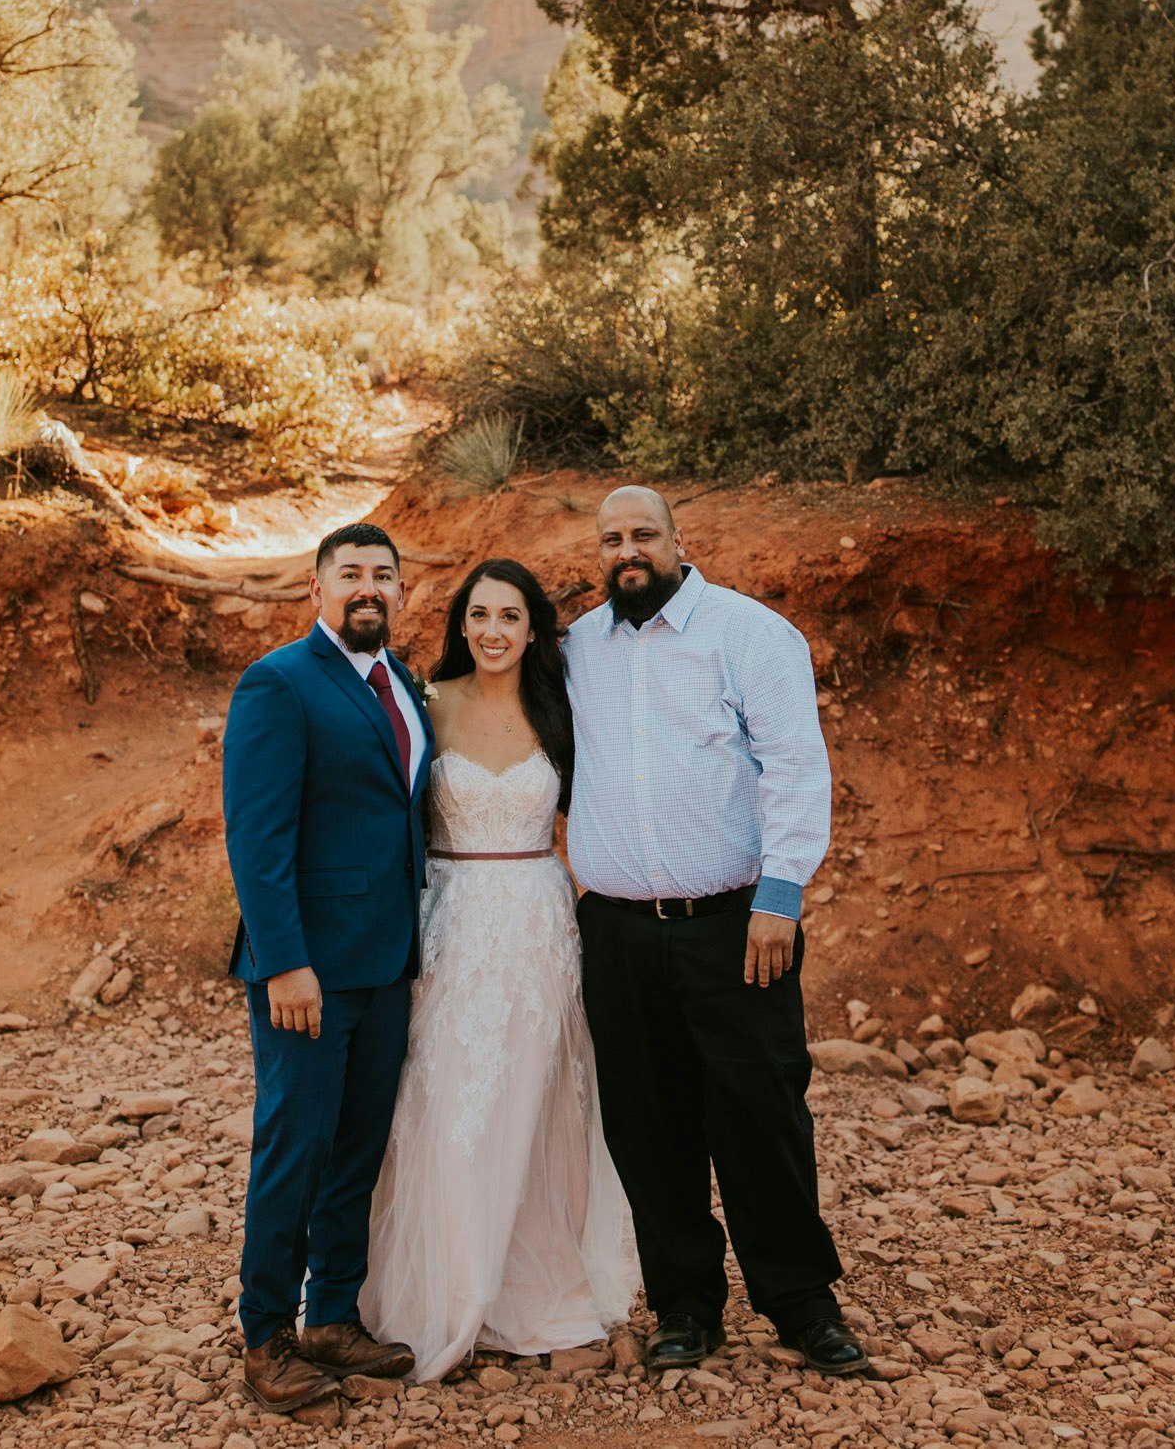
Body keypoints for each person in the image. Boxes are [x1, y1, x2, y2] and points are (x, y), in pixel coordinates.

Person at [565, 486, 865, 1378]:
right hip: (616, 932)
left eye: (643, 534)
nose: (628, 551)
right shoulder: (578, 649)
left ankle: (802, 1304)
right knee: (647, 1125)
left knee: (761, 1112)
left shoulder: (750, 634)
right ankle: (685, 1306)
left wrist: (781, 896)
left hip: (735, 923)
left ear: (677, 539)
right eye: (612, 538)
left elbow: (795, 766)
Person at [361, 558, 636, 1380]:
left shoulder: (562, 710)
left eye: (510, 616)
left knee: (532, 1102)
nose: (492, 631)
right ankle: (446, 1290)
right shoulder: (426, 703)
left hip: (537, 927)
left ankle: (528, 1287)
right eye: (479, 614)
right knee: (445, 1101)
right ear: (460, 624)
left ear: (533, 629)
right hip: (450, 923)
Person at [222, 522, 432, 1416]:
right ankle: (265, 1335)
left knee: (357, 1149)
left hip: (387, 961)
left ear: (400, 591)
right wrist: (284, 963)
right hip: (308, 969)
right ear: (317, 589)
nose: (368, 588)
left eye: (383, 574)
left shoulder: (402, 683)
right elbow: (256, 837)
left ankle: (333, 1317)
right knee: (295, 1148)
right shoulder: (278, 682)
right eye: (350, 574)